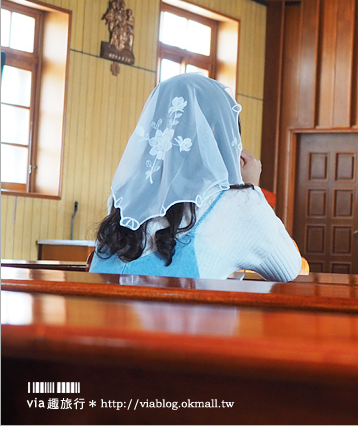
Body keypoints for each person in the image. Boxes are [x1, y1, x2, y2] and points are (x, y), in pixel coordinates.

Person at [90, 73, 302, 281]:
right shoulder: (238, 205)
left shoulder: (126, 199)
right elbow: (288, 269)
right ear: (226, 140)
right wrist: (250, 190)